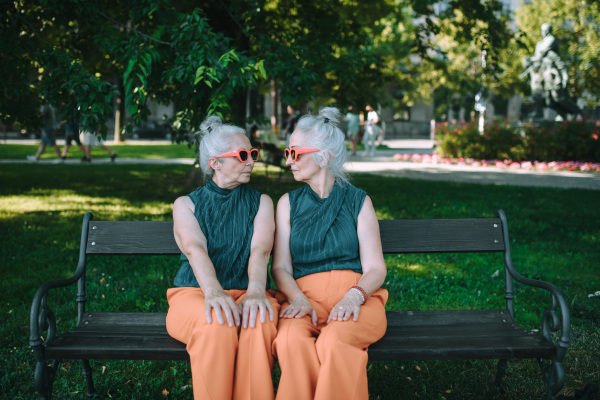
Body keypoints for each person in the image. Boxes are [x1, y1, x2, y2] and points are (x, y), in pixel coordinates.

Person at [272, 107, 388, 400]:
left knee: (335, 343)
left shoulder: (358, 201)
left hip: (356, 298)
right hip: (304, 299)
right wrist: (297, 298)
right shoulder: (287, 203)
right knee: (289, 341)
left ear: (323, 156)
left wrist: (354, 295)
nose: (289, 160)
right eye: (288, 152)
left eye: (296, 153)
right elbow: (281, 268)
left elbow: (376, 268)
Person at [166, 115, 280, 400]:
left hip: (247, 291)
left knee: (260, 320)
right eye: (242, 155)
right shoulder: (186, 205)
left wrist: (256, 290)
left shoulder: (262, 202)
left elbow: (260, 250)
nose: (251, 161)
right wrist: (213, 292)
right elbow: (195, 249)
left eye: (253, 154)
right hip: (194, 293)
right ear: (214, 163)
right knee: (217, 322)